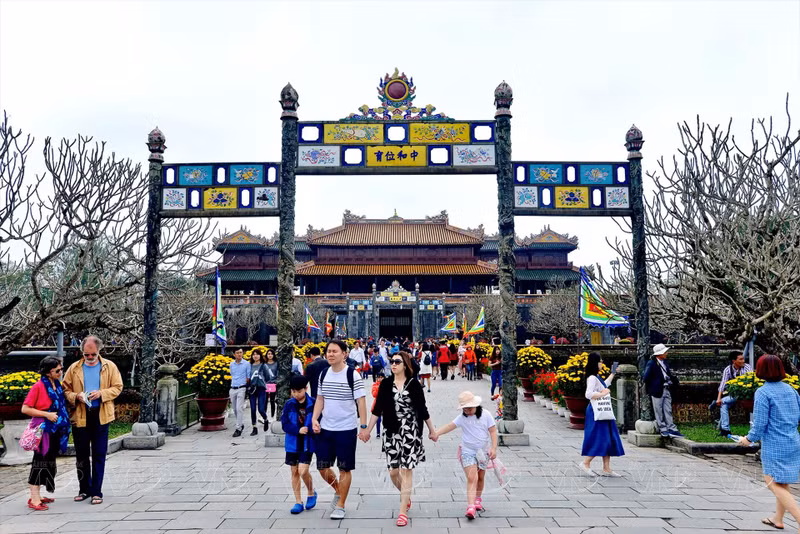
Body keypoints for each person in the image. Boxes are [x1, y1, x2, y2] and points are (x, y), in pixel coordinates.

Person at [360, 350, 436, 527]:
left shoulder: (414, 384)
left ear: (405, 365)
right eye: (392, 361)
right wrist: (367, 430)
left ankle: (402, 512)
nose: (393, 364)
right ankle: (405, 494)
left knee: (406, 470)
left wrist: (432, 430)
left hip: (410, 431)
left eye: (397, 362)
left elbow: (423, 410)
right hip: (391, 431)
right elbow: (377, 410)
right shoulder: (385, 384)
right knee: (393, 472)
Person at [739, 355, 800, 531]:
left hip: (775, 442)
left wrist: (748, 439)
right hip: (793, 440)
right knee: (782, 482)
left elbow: (759, 423)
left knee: (771, 481)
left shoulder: (763, 392)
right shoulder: (791, 390)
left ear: (761, 370)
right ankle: (778, 519)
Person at [62, 335, 123, 505]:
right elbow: (65, 390)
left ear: (99, 351)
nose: (89, 358)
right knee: (81, 455)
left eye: (93, 355)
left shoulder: (109, 366)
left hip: (101, 414)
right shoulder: (74, 368)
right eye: (86, 354)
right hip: (80, 414)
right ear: (82, 352)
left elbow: (118, 387)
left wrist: (101, 394)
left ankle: (97, 491)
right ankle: (84, 489)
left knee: (98, 453)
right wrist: (76, 396)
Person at [311, 340, 368, 520]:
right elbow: (320, 399)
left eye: (335, 351)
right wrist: (314, 418)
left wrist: (364, 427)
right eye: (328, 351)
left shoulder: (353, 375)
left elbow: (361, 402)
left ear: (344, 354)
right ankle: (338, 489)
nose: (330, 354)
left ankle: (341, 504)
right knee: (322, 467)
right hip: (326, 427)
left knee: (344, 468)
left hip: (346, 428)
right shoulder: (323, 375)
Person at [434, 391, 497, 520]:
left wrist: (494, 448)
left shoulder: (486, 415)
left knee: (480, 477)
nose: (467, 411)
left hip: (483, 452)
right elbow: (449, 426)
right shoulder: (462, 418)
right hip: (467, 451)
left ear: (476, 405)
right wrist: (436, 433)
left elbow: (493, 431)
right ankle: (471, 506)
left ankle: (478, 499)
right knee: (471, 477)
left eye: (470, 408)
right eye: (465, 409)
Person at [22, 357, 71, 511]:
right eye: (58, 370)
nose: (60, 372)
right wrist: (46, 414)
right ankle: (34, 498)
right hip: (43, 429)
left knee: (49, 461)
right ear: (49, 372)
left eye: (61, 369)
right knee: (40, 460)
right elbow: (25, 408)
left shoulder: (57, 385)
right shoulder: (38, 387)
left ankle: (38, 495)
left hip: (56, 428)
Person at [578, 353, 625, 477]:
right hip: (596, 411)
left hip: (601, 410)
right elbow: (588, 394)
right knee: (600, 437)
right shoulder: (592, 378)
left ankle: (606, 467)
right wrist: (603, 394)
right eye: (600, 361)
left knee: (607, 437)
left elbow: (604, 385)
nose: (602, 363)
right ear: (595, 362)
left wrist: (613, 373)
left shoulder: (596, 377)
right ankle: (586, 463)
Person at [281, 375, 317, 515]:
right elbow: (284, 424)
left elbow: (318, 419)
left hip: (307, 442)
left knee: (303, 470)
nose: (296, 394)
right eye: (293, 391)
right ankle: (298, 501)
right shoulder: (289, 404)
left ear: (305, 389)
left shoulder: (313, 403)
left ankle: (311, 492)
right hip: (292, 443)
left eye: (299, 391)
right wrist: (297, 430)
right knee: (294, 471)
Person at [643, 344, 683, 437]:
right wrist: (655, 384)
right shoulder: (652, 363)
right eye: (664, 352)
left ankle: (671, 428)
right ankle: (663, 428)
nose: (666, 353)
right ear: (659, 354)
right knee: (659, 410)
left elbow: (668, 374)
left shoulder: (665, 362)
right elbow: (646, 377)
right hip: (657, 390)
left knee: (668, 409)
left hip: (666, 388)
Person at [714, 350, 752, 436]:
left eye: (743, 359)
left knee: (723, 401)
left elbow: (750, 380)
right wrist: (718, 398)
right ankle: (725, 430)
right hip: (734, 395)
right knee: (723, 404)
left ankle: (725, 430)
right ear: (734, 361)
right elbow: (722, 384)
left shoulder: (747, 367)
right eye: (740, 359)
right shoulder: (728, 369)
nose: (743, 361)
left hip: (746, 394)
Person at [227, 348, 251, 437]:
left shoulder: (246, 364)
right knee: (234, 408)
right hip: (233, 387)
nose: (239, 354)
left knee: (239, 408)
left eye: (241, 352)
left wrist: (245, 386)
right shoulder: (231, 364)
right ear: (234, 354)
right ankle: (240, 423)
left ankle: (238, 428)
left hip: (242, 387)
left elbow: (248, 377)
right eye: (237, 353)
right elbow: (232, 374)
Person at [248, 348, 270, 436]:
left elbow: (267, 377)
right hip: (252, 389)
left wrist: (263, 382)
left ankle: (265, 419)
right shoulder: (250, 365)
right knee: (253, 409)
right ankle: (254, 427)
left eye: (257, 354)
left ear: (260, 356)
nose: (255, 356)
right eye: (254, 354)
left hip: (261, 389)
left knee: (261, 409)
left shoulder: (263, 365)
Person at [264, 349, 279, 419]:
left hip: (273, 384)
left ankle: (272, 416)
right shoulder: (264, 364)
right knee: (265, 400)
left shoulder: (276, 363)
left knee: (272, 400)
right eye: (268, 354)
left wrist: (276, 381)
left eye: (271, 354)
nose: (270, 355)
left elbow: (278, 374)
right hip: (265, 384)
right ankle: (264, 416)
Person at [370, 374, 383, 438]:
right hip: (378, 405)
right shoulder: (375, 385)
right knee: (378, 420)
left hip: (386, 405)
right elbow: (374, 394)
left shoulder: (388, 385)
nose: (380, 379)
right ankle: (378, 432)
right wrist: (379, 388)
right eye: (379, 377)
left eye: (381, 377)